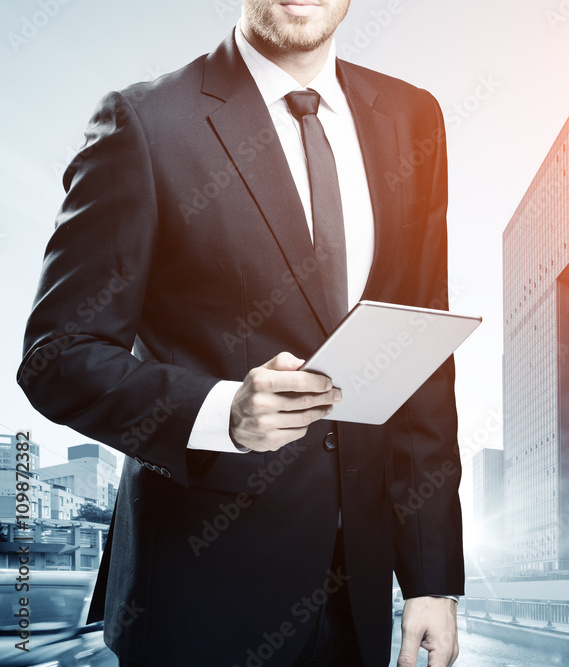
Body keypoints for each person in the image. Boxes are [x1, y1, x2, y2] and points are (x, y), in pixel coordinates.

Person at [16, 1, 463, 665]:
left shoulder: (411, 117)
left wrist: (431, 578)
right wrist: (220, 412)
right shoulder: (143, 123)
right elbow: (57, 357)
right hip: (200, 600)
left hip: (358, 601)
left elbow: (419, 348)